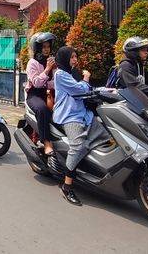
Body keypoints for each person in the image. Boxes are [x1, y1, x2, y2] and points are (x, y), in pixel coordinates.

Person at [53, 46, 110, 206]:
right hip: (70, 116)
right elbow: (79, 90)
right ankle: (67, 186)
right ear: (64, 58)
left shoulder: (73, 73)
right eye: (72, 57)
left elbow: (88, 90)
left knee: (107, 135)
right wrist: (86, 78)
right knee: (78, 146)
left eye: (76, 56)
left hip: (84, 114)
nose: (75, 60)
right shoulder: (60, 74)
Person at [24, 32, 57, 155]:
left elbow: (55, 82)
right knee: (42, 109)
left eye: (48, 47)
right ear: (37, 48)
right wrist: (47, 69)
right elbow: (37, 83)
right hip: (34, 95)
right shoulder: (32, 63)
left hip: (48, 93)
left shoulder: (52, 62)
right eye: (43, 47)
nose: (46, 49)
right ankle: (46, 142)